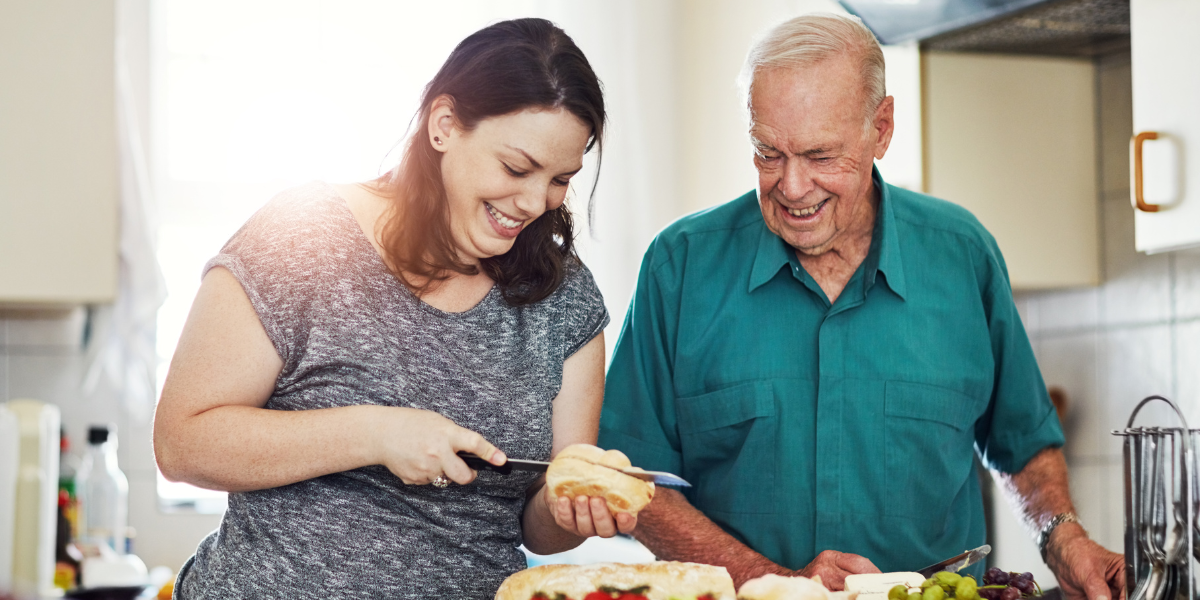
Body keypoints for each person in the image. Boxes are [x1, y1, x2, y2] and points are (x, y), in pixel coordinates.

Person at [597, 12, 1125, 600]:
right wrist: (775, 584)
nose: (793, 187)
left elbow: (1022, 442)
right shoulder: (681, 266)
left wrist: (1063, 537)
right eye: (768, 153)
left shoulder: (963, 255)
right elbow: (635, 481)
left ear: (882, 127)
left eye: (821, 155)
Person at [154, 18, 629, 600]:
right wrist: (376, 433)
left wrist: (569, 506)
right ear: (444, 125)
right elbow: (183, 444)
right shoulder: (301, 234)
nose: (535, 203)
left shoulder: (566, 298)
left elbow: (539, 517)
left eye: (560, 179)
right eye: (515, 168)